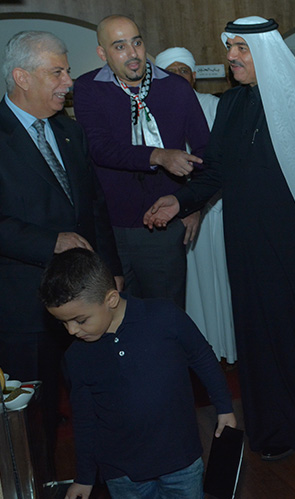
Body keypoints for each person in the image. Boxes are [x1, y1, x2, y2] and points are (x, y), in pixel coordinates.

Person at [143, 16, 295, 460]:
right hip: (244, 242)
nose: (231, 56)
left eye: (241, 48)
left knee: (294, 334)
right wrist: (181, 201)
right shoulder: (233, 103)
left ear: (266, 54)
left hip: (294, 242)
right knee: (256, 336)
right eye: (230, 47)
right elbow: (215, 171)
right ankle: (270, 426)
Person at [0, 30, 123, 477]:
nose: (68, 82)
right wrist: (49, 241)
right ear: (22, 77)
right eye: (57, 72)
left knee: (99, 397)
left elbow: (95, 207)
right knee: (37, 418)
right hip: (24, 307)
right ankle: (42, 481)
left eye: (66, 71)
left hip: (88, 297)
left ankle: (106, 477)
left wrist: (111, 272)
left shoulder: (70, 132)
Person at [38, 248, 235, 499]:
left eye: (80, 320)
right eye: (63, 323)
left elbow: (202, 357)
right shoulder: (77, 356)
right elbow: (85, 419)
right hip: (122, 473)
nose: (72, 331)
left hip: (180, 460)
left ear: (111, 299)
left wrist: (224, 407)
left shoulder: (165, 316)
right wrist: (85, 477)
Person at [72, 15, 209, 309]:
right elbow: (99, 149)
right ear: (102, 53)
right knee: (113, 316)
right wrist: (157, 156)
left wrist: (192, 203)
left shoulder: (175, 87)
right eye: (120, 46)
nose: (133, 54)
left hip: (162, 227)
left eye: (137, 43)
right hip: (110, 227)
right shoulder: (88, 88)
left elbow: (205, 153)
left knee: (165, 315)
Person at [155, 46, 236, 363]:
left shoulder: (212, 105)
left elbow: (222, 165)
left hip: (211, 210)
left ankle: (224, 348)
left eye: (184, 70)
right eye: (171, 71)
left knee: (216, 281)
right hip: (167, 212)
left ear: (193, 76)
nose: (178, 76)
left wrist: (197, 207)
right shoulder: (149, 110)